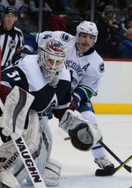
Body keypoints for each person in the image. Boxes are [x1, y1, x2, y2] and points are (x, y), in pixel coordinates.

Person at [0, 39, 101, 188]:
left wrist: (77, 125)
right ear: (41, 57)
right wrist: (10, 103)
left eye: (58, 61)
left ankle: (35, 169)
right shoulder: (26, 69)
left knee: (45, 142)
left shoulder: (64, 77)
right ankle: (2, 177)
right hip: (11, 117)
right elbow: (0, 82)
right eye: (50, 60)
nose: (54, 66)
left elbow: (62, 107)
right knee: (32, 142)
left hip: (35, 116)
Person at [17, 21, 115, 174]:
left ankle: (101, 158)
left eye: (90, 37)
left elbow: (88, 88)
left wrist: (74, 99)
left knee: (90, 119)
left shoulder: (97, 63)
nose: (86, 41)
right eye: (83, 36)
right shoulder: (62, 39)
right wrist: (27, 50)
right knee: (38, 123)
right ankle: (34, 156)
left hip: (71, 94)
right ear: (77, 35)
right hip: (48, 89)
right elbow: (34, 37)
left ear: (95, 40)